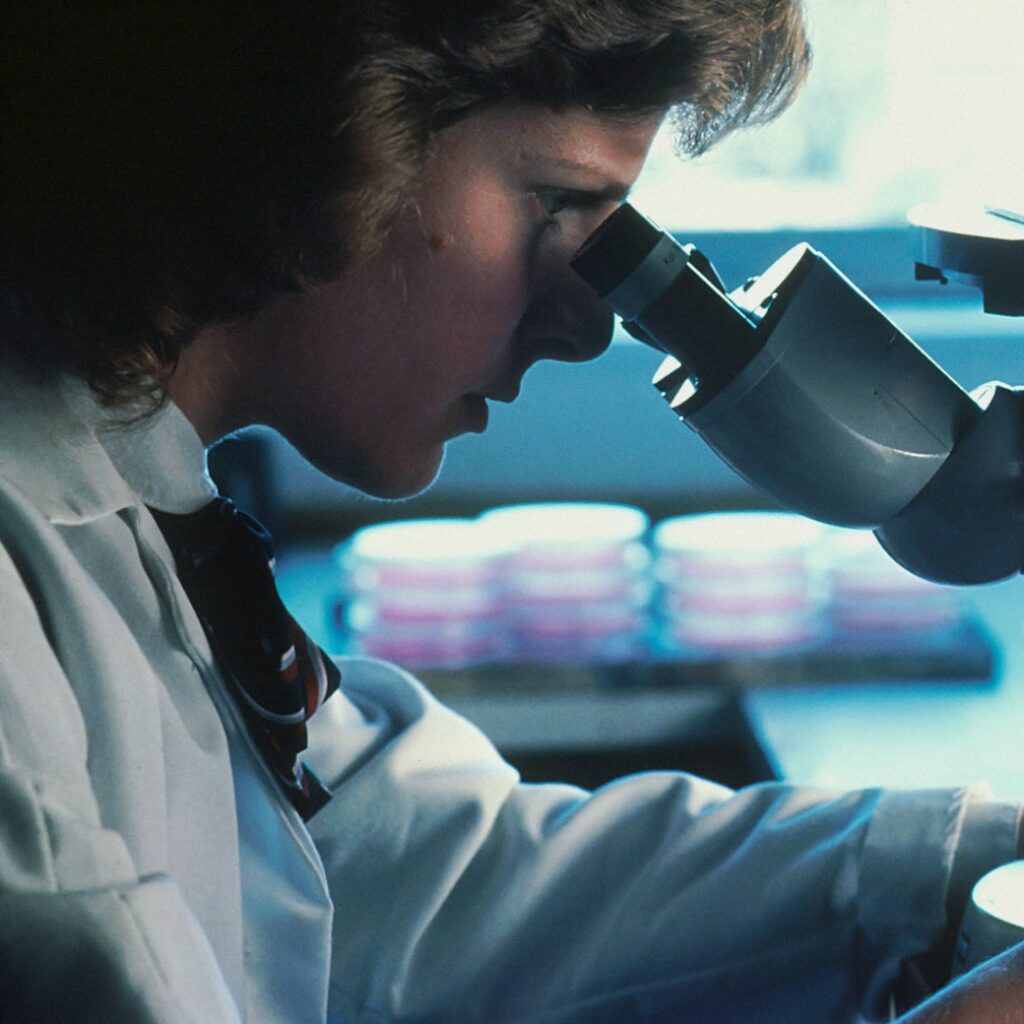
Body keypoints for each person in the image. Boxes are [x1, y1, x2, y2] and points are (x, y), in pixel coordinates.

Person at [0, 3, 1021, 1022]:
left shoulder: (144, 506)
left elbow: (416, 885)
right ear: (333, 129)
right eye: (558, 203)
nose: (583, 327)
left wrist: (966, 859)